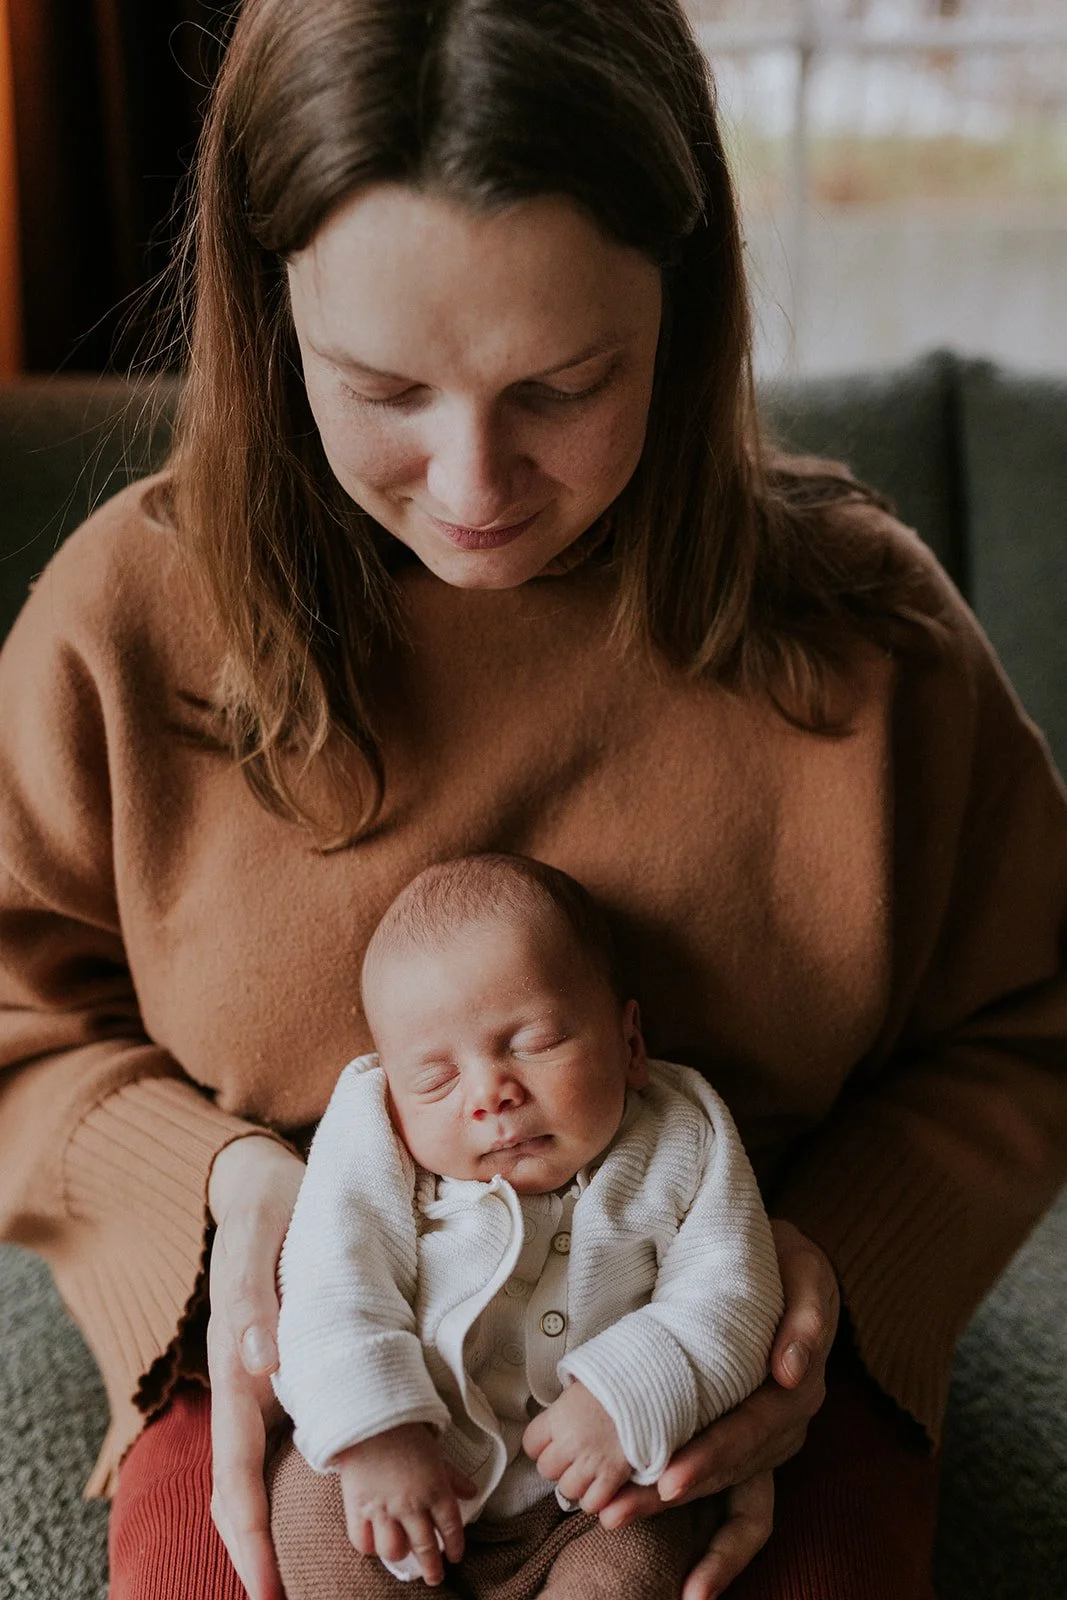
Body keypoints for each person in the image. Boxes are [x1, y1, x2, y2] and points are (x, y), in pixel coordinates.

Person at [0, 0, 1063, 1597]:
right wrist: (215, 1191)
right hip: (310, 1351)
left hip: (718, 1351)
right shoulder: (124, 622)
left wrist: (815, 1276)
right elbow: (21, 1012)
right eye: (381, 389)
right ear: (268, 308)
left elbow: (1027, 1018)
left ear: (684, 308)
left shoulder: (870, 637)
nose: (476, 486)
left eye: (565, 385)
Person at [267, 852, 785, 1598]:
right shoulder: (374, 1139)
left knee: (644, 1550)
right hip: (408, 1466)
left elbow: (733, 1292)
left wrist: (626, 1396)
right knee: (314, 1506)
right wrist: (376, 1432)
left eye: (533, 1042)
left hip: (596, 1491)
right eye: (436, 1079)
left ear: (630, 1043)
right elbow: (329, 1279)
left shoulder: (682, 1133)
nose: (489, 1095)